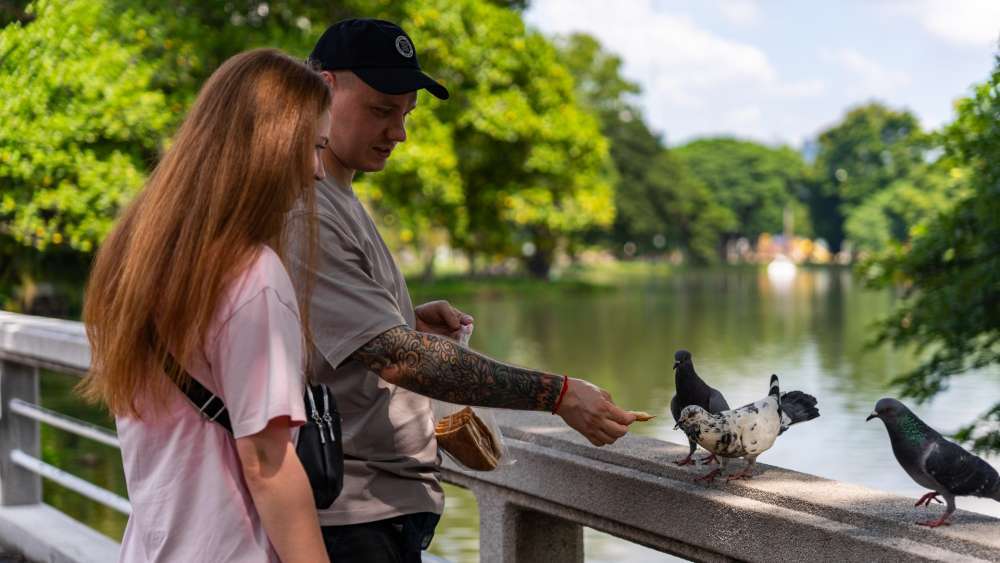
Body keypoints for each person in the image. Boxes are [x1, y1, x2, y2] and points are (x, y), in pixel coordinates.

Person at [288, 19, 637, 561]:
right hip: (346, 520)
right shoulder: (305, 207)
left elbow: (356, 338)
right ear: (324, 88)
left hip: (378, 512)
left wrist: (403, 318)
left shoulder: (340, 193)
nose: (398, 133)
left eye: (406, 114)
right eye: (382, 109)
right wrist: (558, 394)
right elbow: (401, 360)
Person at [80, 49, 332, 563]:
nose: (318, 172)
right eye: (312, 147)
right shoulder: (253, 276)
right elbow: (268, 463)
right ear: (270, 146)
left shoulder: (135, 257)